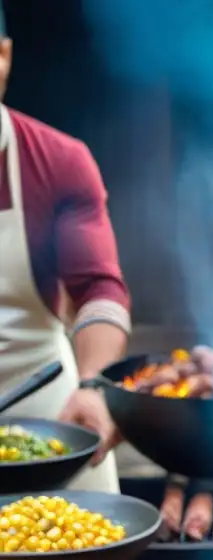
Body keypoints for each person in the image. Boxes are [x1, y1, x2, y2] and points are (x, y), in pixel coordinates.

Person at [0, 5, 129, 491]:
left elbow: (99, 289)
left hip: (51, 411)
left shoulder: (58, 161)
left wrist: (94, 384)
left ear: (4, 54)